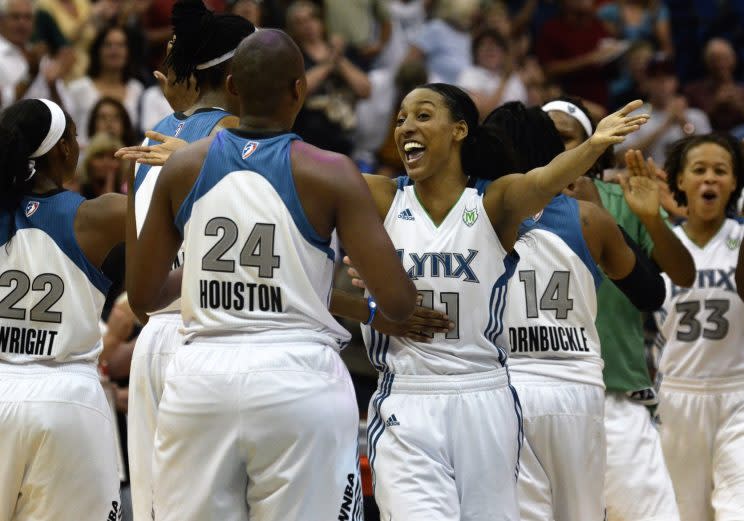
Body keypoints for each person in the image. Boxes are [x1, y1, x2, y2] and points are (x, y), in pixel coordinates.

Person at [126, 28, 417, 521]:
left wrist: (202, 273)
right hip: (297, 380)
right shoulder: (330, 171)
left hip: (201, 381)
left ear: (233, 86)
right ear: (301, 90)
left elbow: (144, 296)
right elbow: (399, 303)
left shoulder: (183, 168)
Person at [332, 84, 647, 520]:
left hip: (486, 397)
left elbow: (544, 180)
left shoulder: (493, 201)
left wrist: (593, 145)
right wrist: (369, 313)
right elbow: (302, 190)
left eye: (422, 116)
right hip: (406, 395)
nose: (405, 127)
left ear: (459, 130)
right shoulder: (384, 196)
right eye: (401, 117)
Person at [486, 101, 665, 521]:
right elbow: (651, 293)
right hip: (577, 389)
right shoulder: (588, 218)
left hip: (505, 384)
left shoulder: (473, 214)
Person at [118, 1, 254, 519]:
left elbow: (137, 287)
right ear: (240, 73)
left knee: (156, 509)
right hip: (216, 331)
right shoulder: (247, 136)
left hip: (153, 335)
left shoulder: (155, 134)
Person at [542, 96, 692, 521]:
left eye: (566, 139)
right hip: (535, 392)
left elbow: (679, 277)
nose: (556, 148)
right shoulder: (514, 201)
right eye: (546, 138)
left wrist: (637, 216)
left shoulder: (623, 194)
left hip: (615, 388)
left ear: (594, 146)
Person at [0, 98, 123, 520]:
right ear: (63, 149)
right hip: (67, 398)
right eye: (74, 134)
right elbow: (182, 213)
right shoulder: (98, 214)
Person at [655, 133, 744, 521]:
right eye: (700, 170)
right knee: (685, 514)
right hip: (677, 395)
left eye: (720, 171)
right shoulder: (660, 245)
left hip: (738, 392)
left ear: (735, 183)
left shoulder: (740, 239)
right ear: (679, 181)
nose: (710, 179)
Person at [64, 24, 144, 145]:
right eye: (108, 45)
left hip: (125, 160)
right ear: (98, 51)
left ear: (128, 51)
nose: (114, 50)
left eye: (120, 45)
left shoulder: (137, 89)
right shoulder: (78, 88)